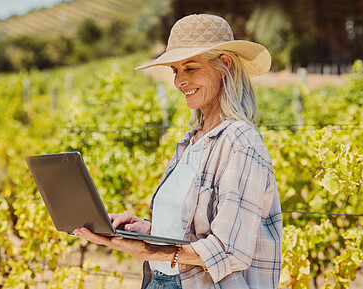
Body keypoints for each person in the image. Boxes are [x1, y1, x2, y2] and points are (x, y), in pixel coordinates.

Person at [74, 14, 282, 289]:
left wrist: (148, 251)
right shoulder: (192, 141)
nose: (179, 81)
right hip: (162, 281)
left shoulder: (241, 142)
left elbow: (230, 250)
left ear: (225, 66)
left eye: (191, 67)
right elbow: (193, 231)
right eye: (175, 70)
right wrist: (148, 231)